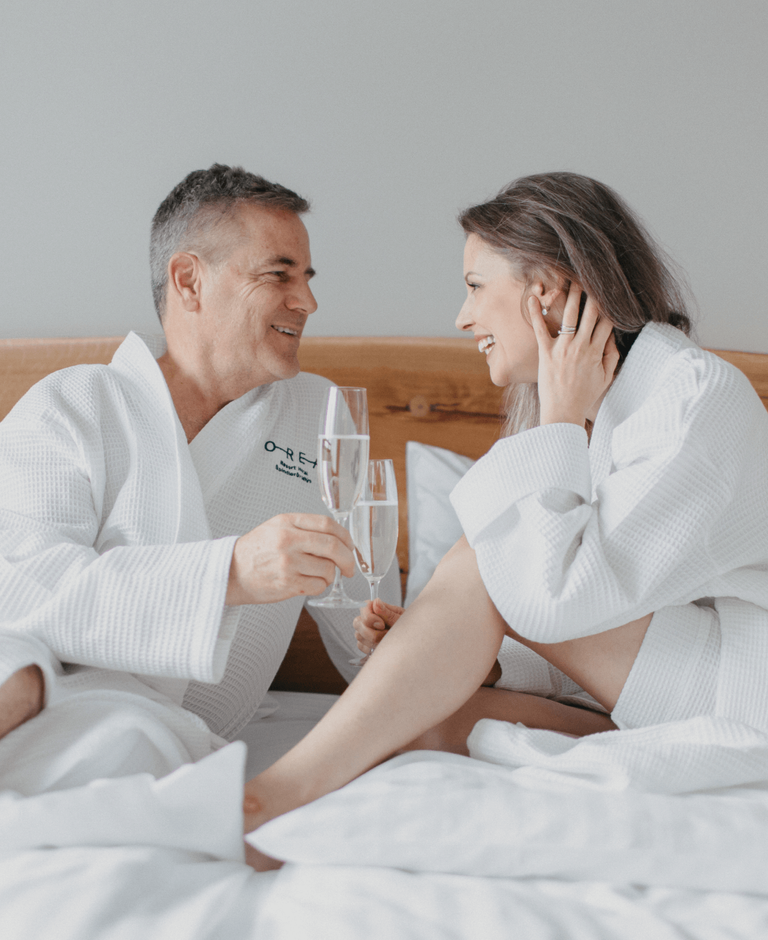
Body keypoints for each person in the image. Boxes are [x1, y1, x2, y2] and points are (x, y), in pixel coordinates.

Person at [241, 171, 768, 845]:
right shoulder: (615, 402)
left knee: (485, 555)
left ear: (546, 288)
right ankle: (323, 766)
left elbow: (555, 598)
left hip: (740, 691)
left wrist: (558, 421)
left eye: (475, 287)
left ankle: (273, 796)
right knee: (426, 721)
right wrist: (467, 652)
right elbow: (604, 606)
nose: (463, 318)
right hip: (661, 688)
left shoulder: (690, 403)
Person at [0, 164, 394, 765]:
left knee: (129, 738)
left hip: (157, 732)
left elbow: (372, 625)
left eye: (308, 278)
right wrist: (229, 574)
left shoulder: (321, 415)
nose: (309, 301)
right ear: (188, 281)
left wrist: (386, 636)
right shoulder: (74, 403)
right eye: (278, 275)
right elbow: (19, 586)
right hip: (37, 685)